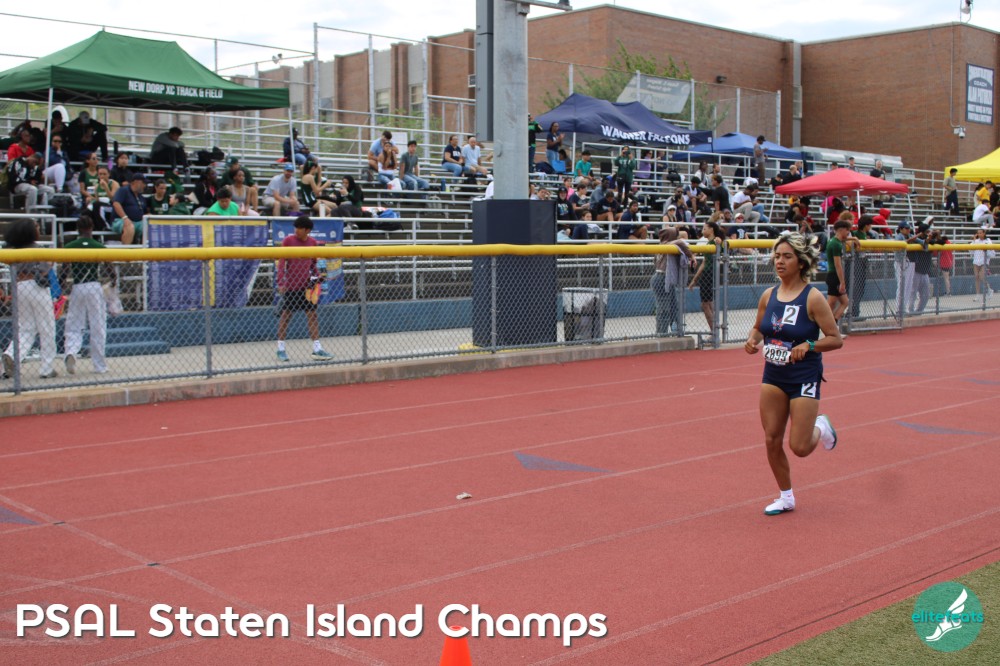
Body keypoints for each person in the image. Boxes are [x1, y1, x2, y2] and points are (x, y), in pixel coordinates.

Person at [744, 232, 843, 515]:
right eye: (777, 256)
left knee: (799, 446)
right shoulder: (768, 295)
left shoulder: (813, 298)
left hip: (804, 377)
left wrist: (809, 345)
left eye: (787, 256)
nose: (780, 261)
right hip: (773, 375)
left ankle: (821, 427)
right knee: (771, 439)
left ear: (800, 262)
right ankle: (786, 497)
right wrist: (752, 340)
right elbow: (759, 328)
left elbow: (835, 339)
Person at [2, 220, 58, 380]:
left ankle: (11, 354)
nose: (38, 230)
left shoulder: (14, 250)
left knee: (25, 328)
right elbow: (45, 269)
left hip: (19, 287)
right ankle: (47, 368)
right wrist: (50, 263)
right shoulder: (37, 249)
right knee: (47, 328)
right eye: (37, 228)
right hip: (36, 286)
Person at [275, 216, 333, 362]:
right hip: (291, 287)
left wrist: (317, 277)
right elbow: (282, 263)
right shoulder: (288, 241)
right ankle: (280, 348)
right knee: (286, 316)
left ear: (307, 230)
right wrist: (280, 282)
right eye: (296, 227)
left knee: (312, 316)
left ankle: (317, 349)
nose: (296, 230)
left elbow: (313, 264)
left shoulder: (312, 243)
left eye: (299, 228)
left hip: (307, 287)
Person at [61, 213, 111, 375]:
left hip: (78, 286)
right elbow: (110, 269)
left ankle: (71, 352)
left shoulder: (70, 246)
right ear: (92, 228)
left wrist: (61, 285)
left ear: (78, 229)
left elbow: (64, 271)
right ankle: (99, 365)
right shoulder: (98, 246)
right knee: (98, 326)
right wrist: (113, 281)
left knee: (74, 323)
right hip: (94, 285)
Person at [652, 227, 695, 336]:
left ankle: (675, 329)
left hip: (665, 278)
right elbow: (680, 242)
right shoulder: (668, 244)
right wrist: (691, 256)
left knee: (673, 306)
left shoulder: (664, 245)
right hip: (661, 277)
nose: (676, 237)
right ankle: (661, 333)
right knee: (663, 308)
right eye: (674, 235)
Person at [688, 220, 723, 336]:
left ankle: (714, 332)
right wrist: (694, 280)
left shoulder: (716, 241)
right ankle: (715, 331)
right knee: (708, 303)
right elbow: (704, 262)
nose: (702, 231)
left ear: (711, 229)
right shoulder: (708, 244)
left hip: (710, 273)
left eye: (704, 228)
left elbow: (723, 246)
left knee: (705, 304)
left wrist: (720, 241)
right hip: (707, 274)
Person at [825, 218, 859, 324]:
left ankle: (832, 322)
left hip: (833, 275)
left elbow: (844, 239)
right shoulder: (836, 244)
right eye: (847, 230)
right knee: (831, 303)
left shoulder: (834, 241)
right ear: (841, 230)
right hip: (834, 276)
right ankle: (825, 324)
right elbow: (838, 264)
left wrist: (853, 238)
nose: (848, 232)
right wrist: (842, 282)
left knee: (845, 302)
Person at [111, 173, 148, 245]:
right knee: (129, 227)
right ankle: (125, 251)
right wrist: (125, 218)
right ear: (136, 182)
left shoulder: (140, 196)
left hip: (138, 222)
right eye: (143, 183)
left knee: (150, 227)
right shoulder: (123, 190)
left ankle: (144, 250)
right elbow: (116, 204)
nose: (145, 185)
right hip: (120, 220)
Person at [970, 227, 993, 299]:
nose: (979, 234)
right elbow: (971, 250)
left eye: (980, 233)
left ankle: (989, 289)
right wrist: (974, 240)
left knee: (981, 276)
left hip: (984, 261)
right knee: (976, 277)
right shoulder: (976, 241)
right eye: (978, 233)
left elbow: (991, 251)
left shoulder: (988, 240)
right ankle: (977, 295)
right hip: (976, 261)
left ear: (984, 233)